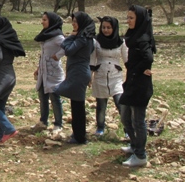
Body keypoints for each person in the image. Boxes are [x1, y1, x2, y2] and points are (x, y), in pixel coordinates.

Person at [119, 5, 156, 167]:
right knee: (125, 117)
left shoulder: (143, 38)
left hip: (140, 84)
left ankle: (140, 155)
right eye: (127, 18)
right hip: (132, 82)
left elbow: (148, 58)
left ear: (139, 19)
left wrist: (138, 71)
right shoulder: (134, 36)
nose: (128, 21)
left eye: (131, 18)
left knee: (137, 120)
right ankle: (134, 146)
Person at [54, 12, 96, 144]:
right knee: (76, 105)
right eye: (73, 21)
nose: (73, 24)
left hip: (79, 73)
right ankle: (78, 134)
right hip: (77, 72)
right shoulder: (84, 37)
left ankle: (80, 137)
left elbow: (68, 50)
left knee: (77, 105)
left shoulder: (82, 38)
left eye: (76, 22)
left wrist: (69, 37)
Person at [90, 16, 127, 136]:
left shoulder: (121, 42)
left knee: (120, 103)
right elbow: (92, 60)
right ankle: (100, 128)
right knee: (101, 105)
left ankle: (128, 130)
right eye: (104, 27)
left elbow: (127, 61)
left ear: (114, 28)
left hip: (116, 76)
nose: (106, 30)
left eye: (109, 28)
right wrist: (89, 76)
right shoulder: (96, 42)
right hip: (100, 75)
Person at [32, 12, 65, 132]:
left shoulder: (58, 37)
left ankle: (58, 124)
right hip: (43, 71)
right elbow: (43, 54)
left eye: (45, 20)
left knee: (54, 97)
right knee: (42, 95)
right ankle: (43, 121)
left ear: (51, 21)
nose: (42, 22)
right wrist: (38, 68)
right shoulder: (46, 35)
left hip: (53, 72)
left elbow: (67, 47)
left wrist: (58, 55)